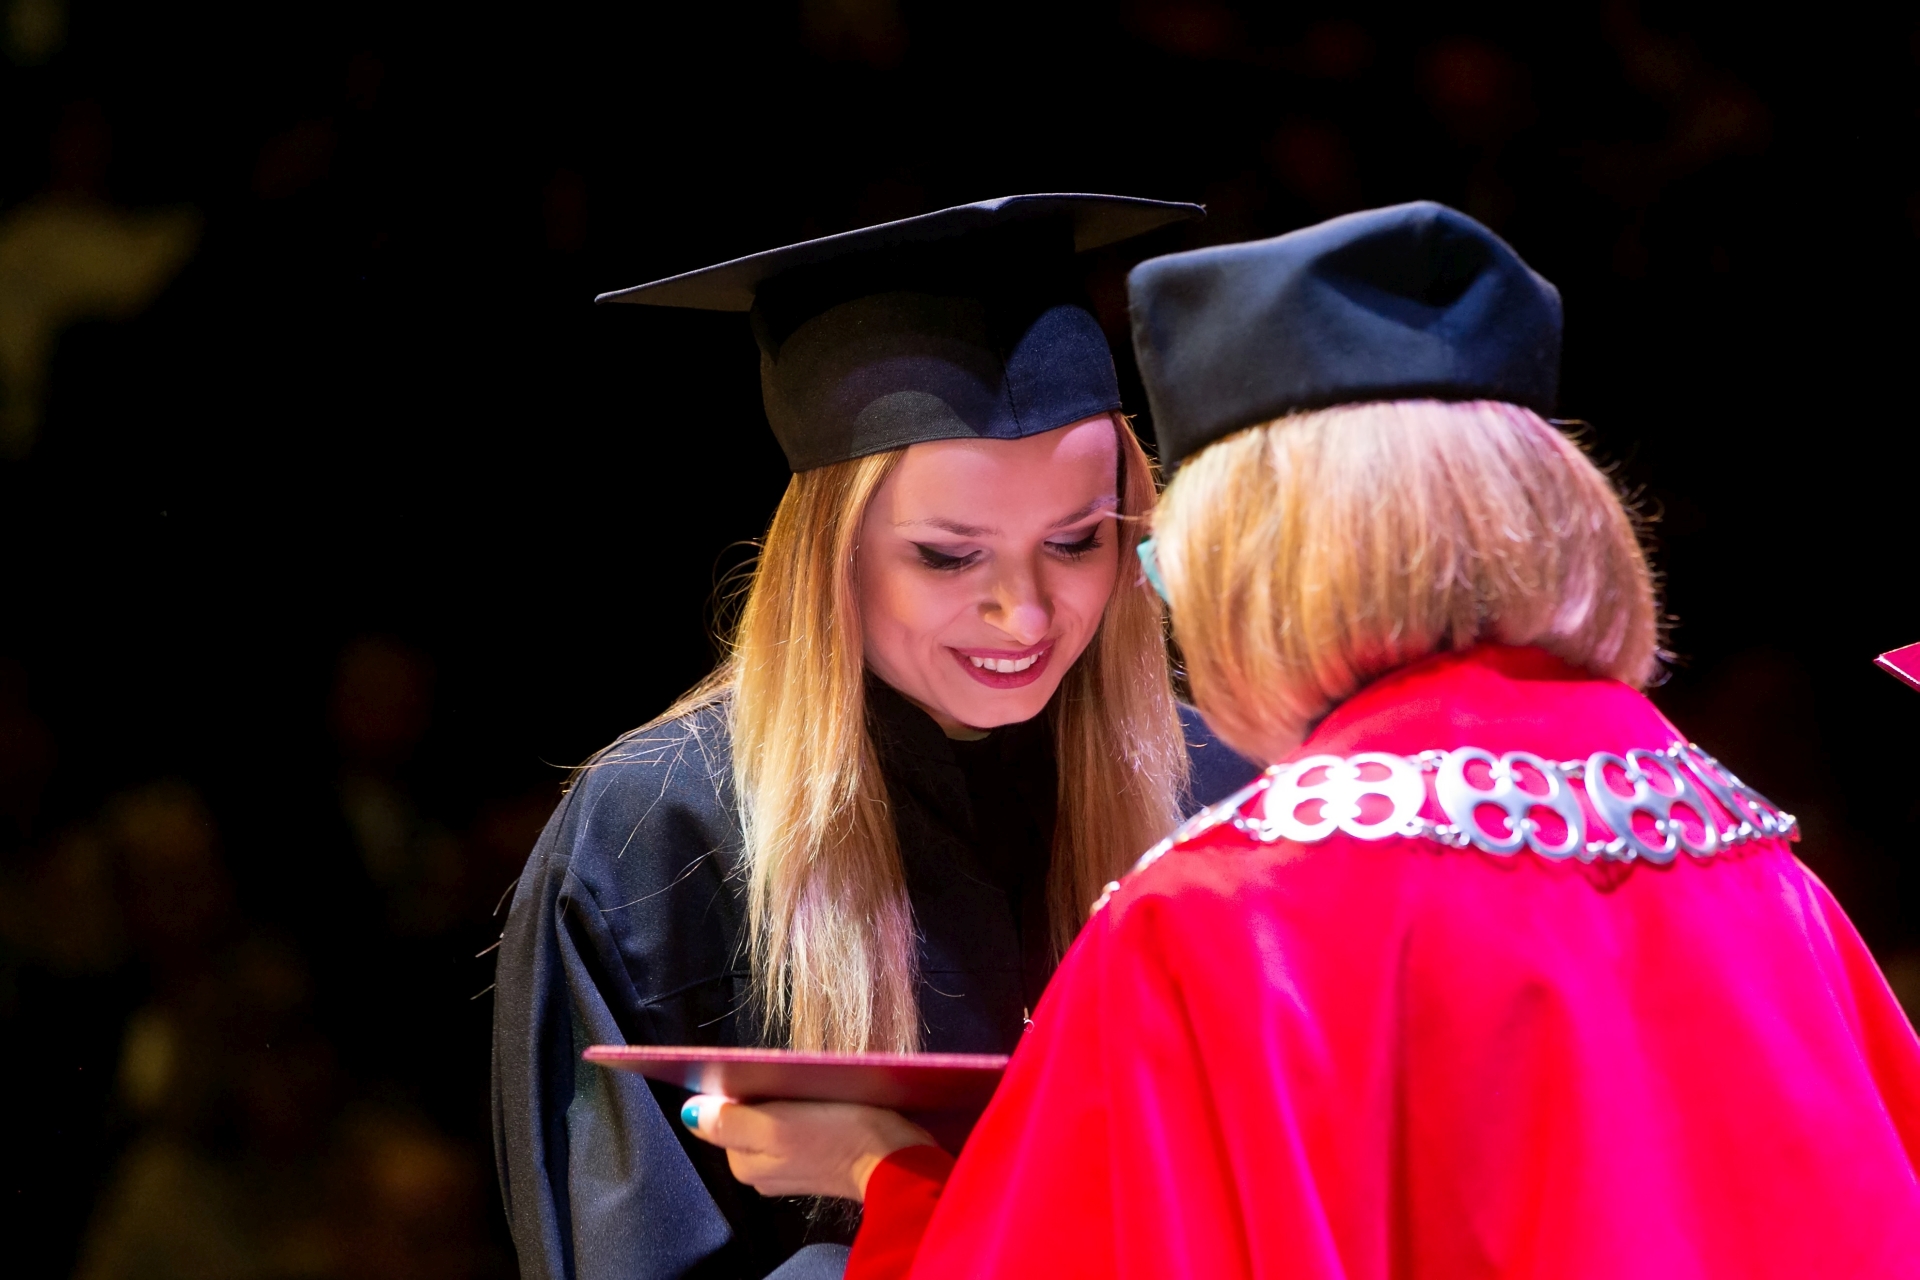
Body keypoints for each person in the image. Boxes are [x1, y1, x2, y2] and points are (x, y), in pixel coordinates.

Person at [682, 202, 1920, 1277]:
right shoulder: (1758, 868)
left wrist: (892, 1177)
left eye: (1135, 556)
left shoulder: (1226, 918)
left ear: (1255, 564)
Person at [491, 195, 1261, 1280]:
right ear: (834, 554)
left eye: (1077, 541)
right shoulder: (663, 835)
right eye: (948, 555)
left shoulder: (1221, 796)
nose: (1026, 616)